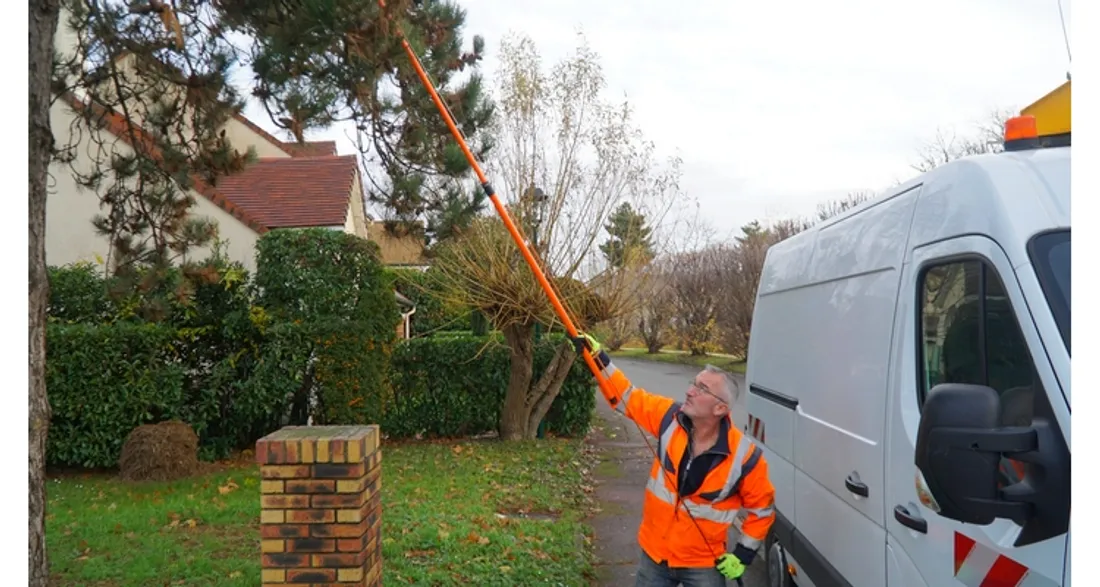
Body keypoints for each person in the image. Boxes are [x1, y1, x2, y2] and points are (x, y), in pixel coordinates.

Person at [576, 334, 776, 587]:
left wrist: (742, 555)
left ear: (720, 409)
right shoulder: (671, 417)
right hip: (655, 557)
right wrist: (599, 359)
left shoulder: (745, 457)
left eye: (702, 389)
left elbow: (762, 511)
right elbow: (627, 397)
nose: (689, 391)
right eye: (694, 383)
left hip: (704, 564)